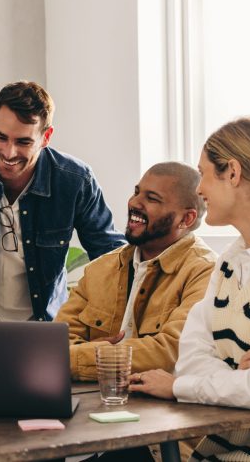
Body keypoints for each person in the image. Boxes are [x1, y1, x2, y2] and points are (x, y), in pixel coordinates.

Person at [130, 117, 250, 461]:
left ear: (233, 173)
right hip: (221, 449)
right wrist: (239, 369)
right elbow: (191, 360)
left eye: (204, 173)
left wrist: (179, 387)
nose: (199, 189)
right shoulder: (228, 262)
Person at [0, 81, 125, 322]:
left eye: (23, 142)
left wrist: (102, 324)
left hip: (44, 326)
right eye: (1, 137)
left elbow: (111, 258)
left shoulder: (76, 181)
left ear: (46, 137)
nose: (9, 153)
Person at [55, 162, 216, 381]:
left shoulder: (205, 271)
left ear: (185, 219)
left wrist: (91, 355)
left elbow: (169, 350)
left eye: (152, 198)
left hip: (169, 409)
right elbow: (58, 343)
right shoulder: (100, 269)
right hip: (95, 397)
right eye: (136, 192)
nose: (134, 203)